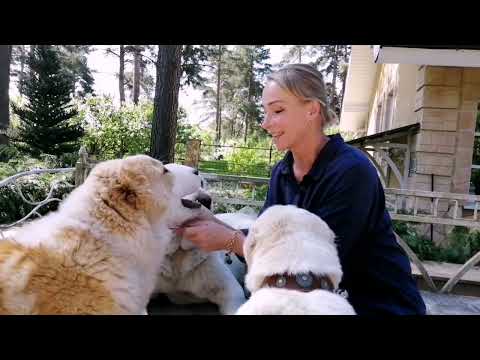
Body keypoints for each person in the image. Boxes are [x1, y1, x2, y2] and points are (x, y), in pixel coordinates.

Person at [176, 64, 426, 315]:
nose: (265, 123)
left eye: (277, 110)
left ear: (312, 110)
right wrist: (212, 222)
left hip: (376, 306)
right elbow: (266, 238)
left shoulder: (351, 172)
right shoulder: (282, 173)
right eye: (265, 112)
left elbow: (310, 268)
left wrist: (229, 240)